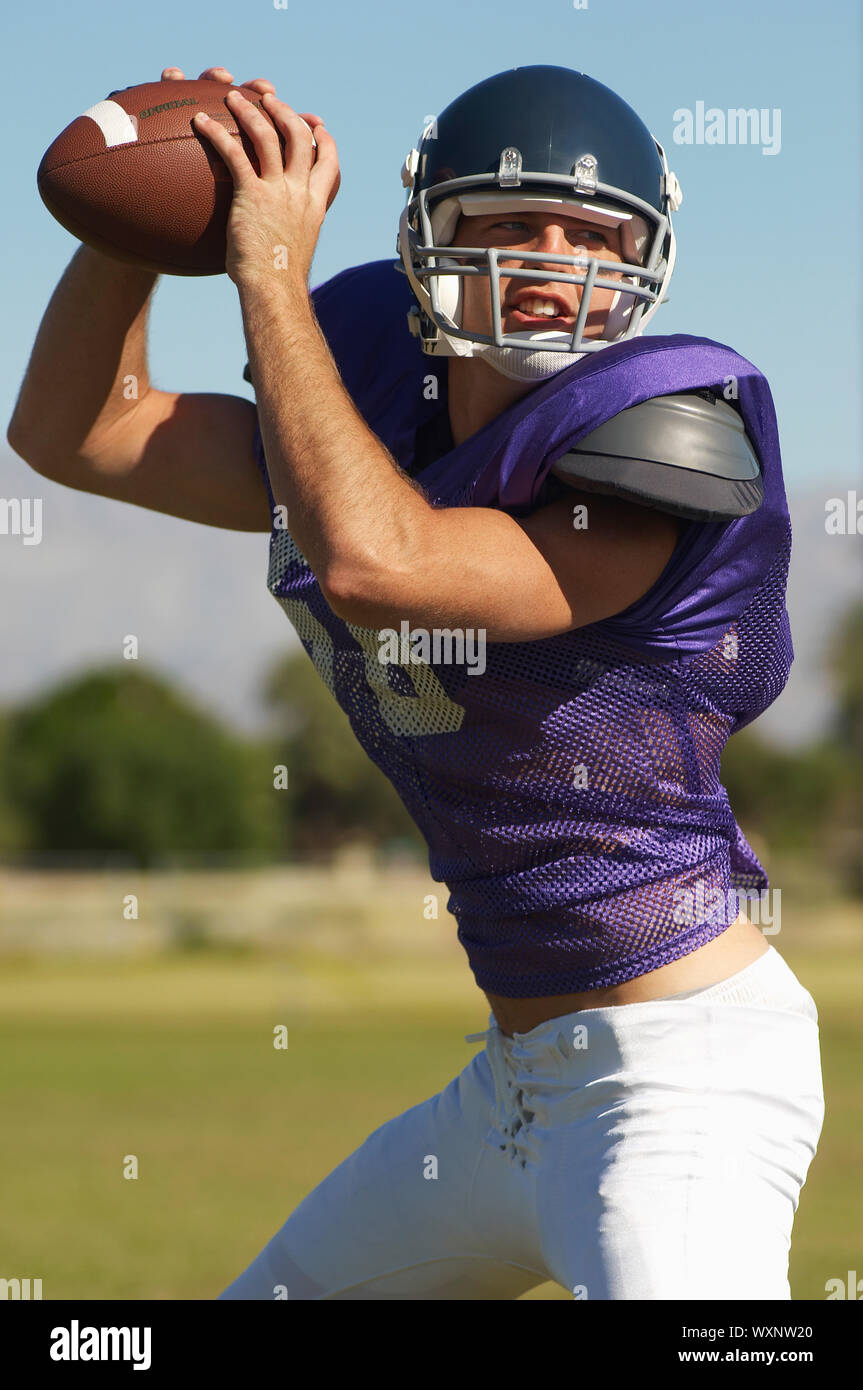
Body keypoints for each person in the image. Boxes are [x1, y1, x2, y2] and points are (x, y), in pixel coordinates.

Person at [8, 63, 824, 1300]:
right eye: (505, 222)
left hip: (679, 1076)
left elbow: (374, 561)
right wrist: (149, 220)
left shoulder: (656, 434)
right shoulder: (368, 404)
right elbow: (79, 429)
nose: (553, 253)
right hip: (509, 1085)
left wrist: (266, 273)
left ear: (646, 258)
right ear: (424, 240)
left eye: (594, 230)